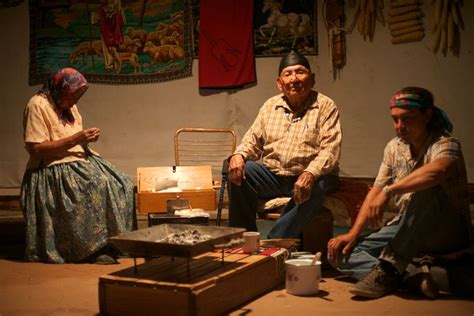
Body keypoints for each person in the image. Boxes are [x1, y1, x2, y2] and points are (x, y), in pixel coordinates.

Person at [327, 87, 472, 299]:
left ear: (428, 115)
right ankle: (412, 276)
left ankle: (388, 271)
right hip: (406, 226)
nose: (400, 126)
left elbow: (438, 171)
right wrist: (353, 233)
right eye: (395, 120)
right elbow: (374, 192)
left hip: (445, 228)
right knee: (339, 253)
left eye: (407, 119)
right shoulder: (394, 148)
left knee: (426, 190)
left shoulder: (446, 143)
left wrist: (391, 190)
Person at [20, 68, 135, 264]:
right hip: (50, 166)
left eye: (77, 96)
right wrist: (75, 139)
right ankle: (90, 249)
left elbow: (75, 138)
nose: (75, 101)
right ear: (59, 89)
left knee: (122, 182)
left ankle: (115, 242)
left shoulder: (69, 107)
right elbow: (36, 149)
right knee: (94, 185)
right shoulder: (37, 105)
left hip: (78, 158)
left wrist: (86, 139)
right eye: (71, 95)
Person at [228, 50, 342, 239]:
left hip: (311, 176)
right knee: (235, 167)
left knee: (319, 183)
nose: (294, 79)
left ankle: (276, 242)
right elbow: (252, 141)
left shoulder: (325, 106)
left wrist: (309, 173)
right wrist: (238, 155)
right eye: (288, 74)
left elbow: (330, 150)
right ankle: (245, 238)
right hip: (275, 177)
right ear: (280, 84)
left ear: (312, 79)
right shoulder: (270, 106)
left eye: (300, 72)